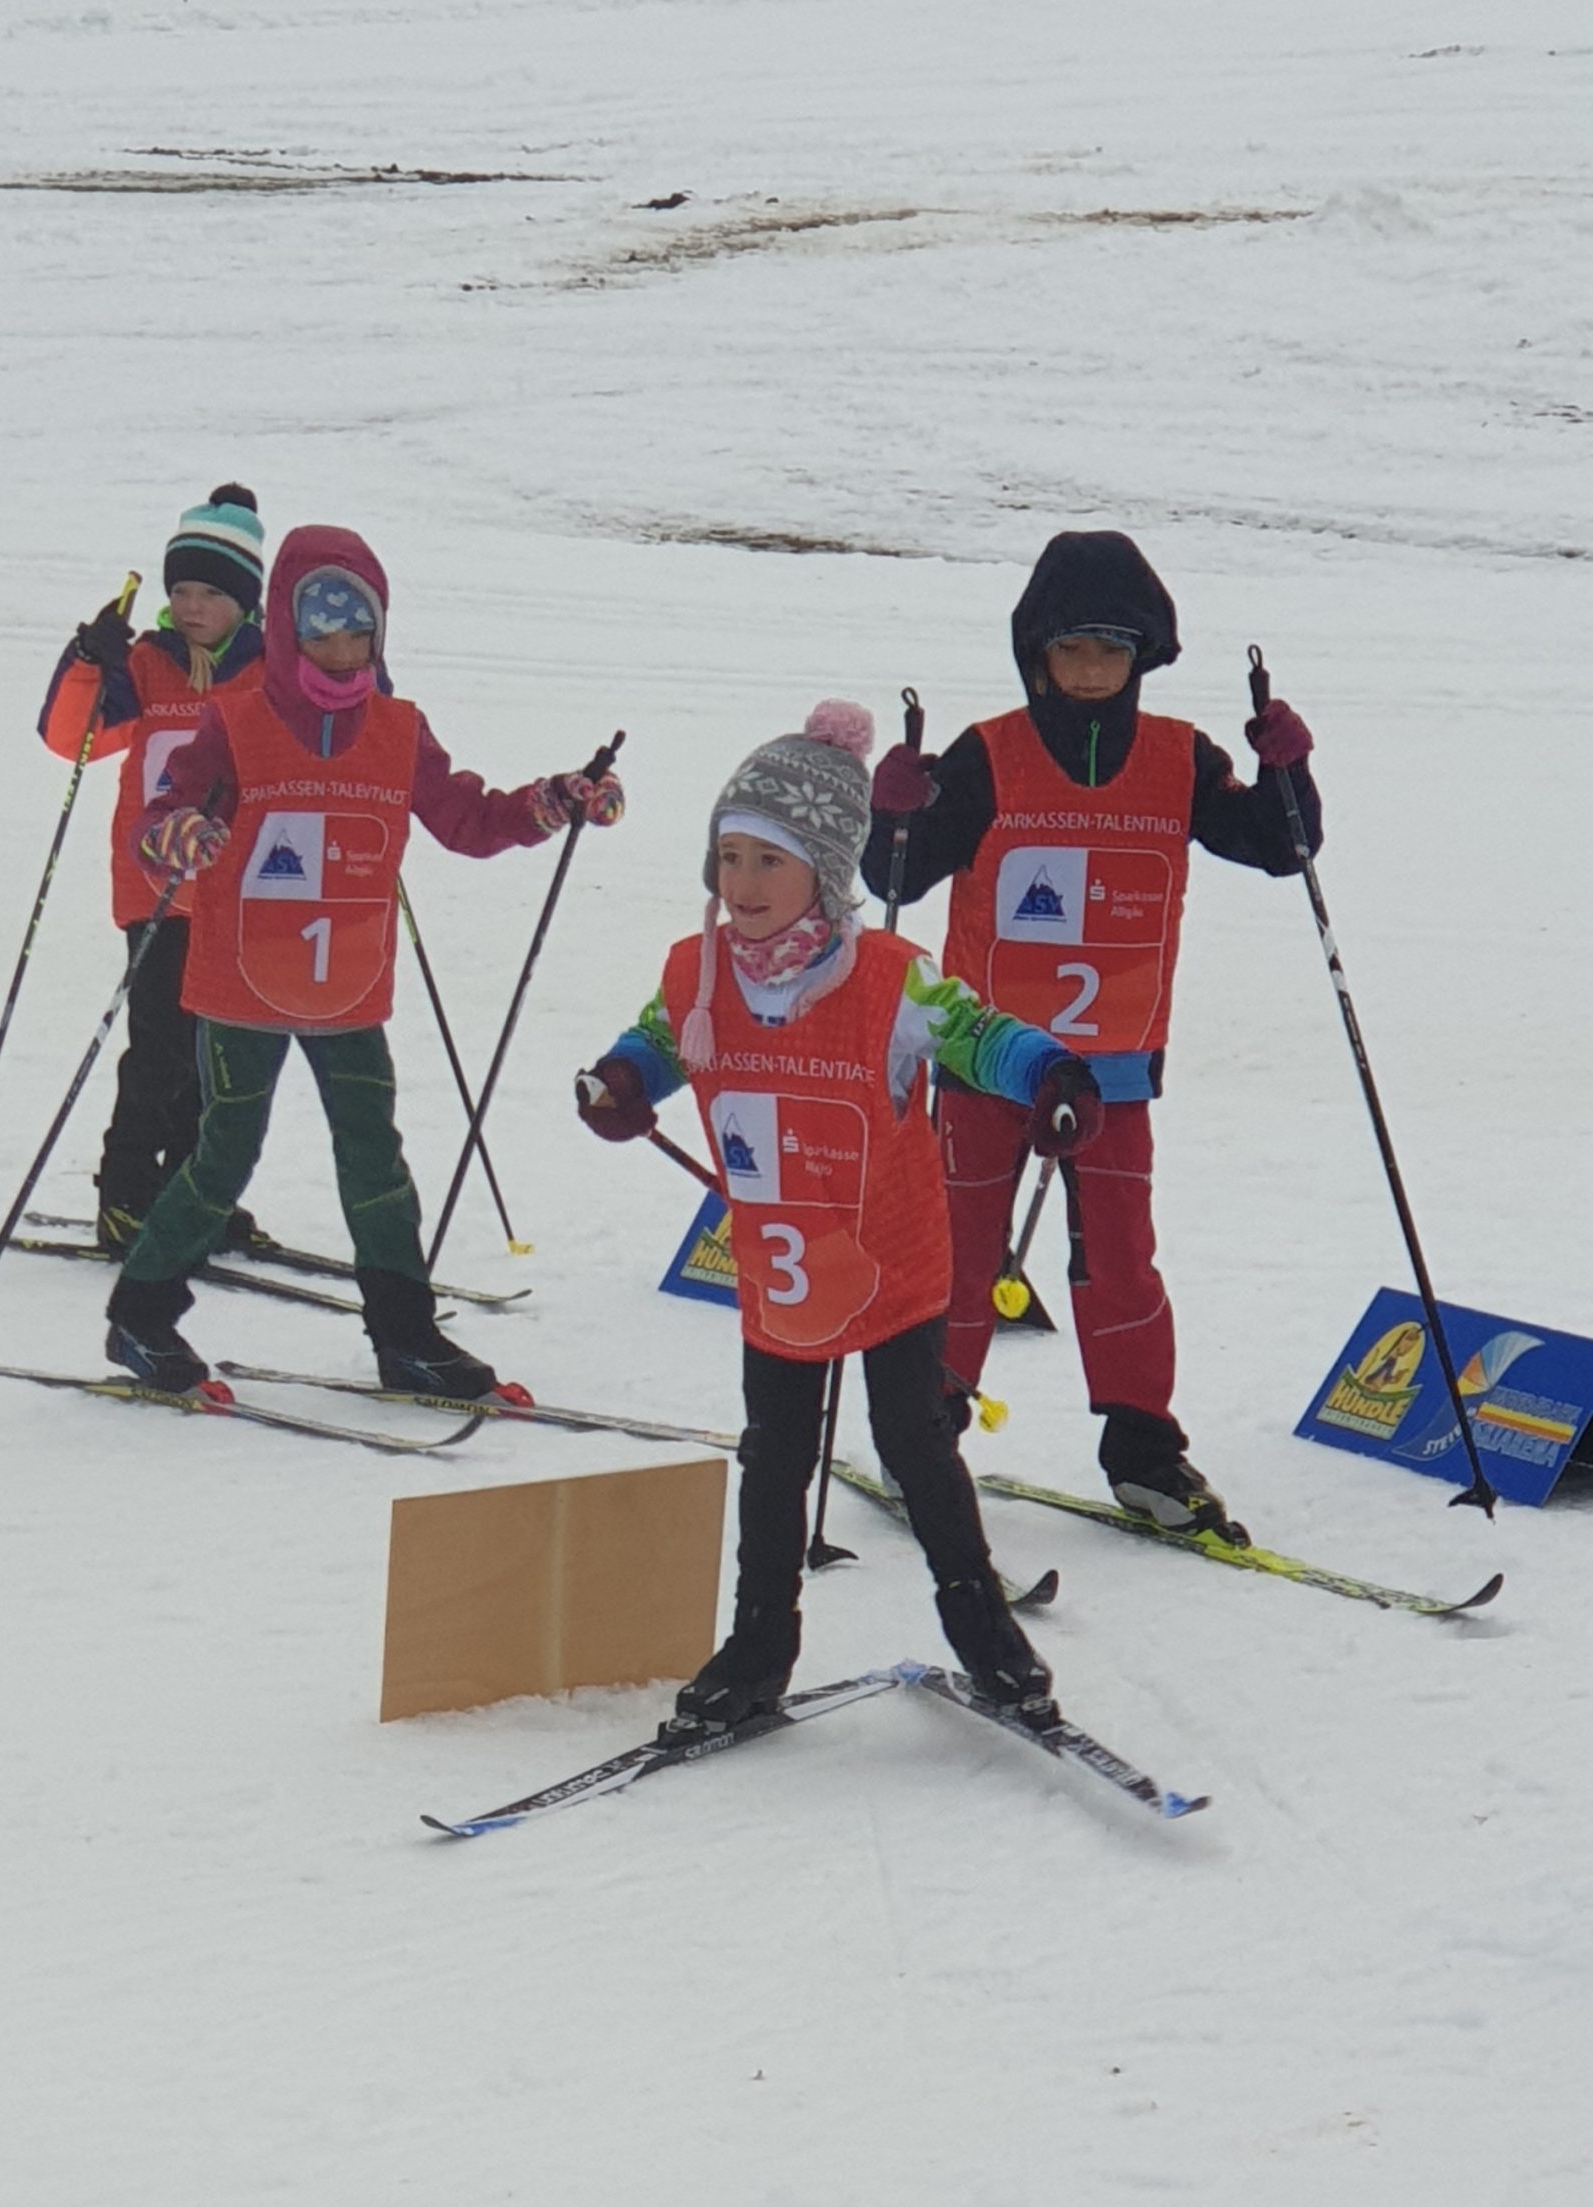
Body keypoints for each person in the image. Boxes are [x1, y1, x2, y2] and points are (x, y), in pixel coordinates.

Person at [577, 702, 1097, 1734]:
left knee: (912, 1444)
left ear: (822, 865)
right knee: (773, 1451)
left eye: (768, 861)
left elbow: (982, 1036)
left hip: (892, 1262)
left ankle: (984, 1634)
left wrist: (1051, 1077)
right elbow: (655, 1039)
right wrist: (619, 1082)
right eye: (726, 856)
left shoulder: (888, 984)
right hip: (782, 1277)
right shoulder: (700, 970)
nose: (741, 885)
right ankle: (758, 1643)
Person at [859, 530, 1320, 1538]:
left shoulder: (1178, 758)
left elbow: (1282, 848)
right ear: (1038, 654)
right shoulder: (987, 756)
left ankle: (1144, 1449)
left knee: (1119, 1258)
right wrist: (890, 813)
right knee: (958, 1248)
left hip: (1113, 1069)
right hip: (985, 1061)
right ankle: (922, 1426)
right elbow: (896, 879)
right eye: (1071, 649)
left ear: (1142, 656)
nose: (1091, 669)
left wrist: (1287, 774)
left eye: (1111, 650)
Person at [104, 523, 623, 1398]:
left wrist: (550, 804)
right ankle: (142, 1319)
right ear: (285, 628)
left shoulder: (398, 728)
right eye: (321, 632)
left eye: (359, 634)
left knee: (374, 1155)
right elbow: (167, 809)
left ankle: (406, 1336)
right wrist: (179, 834)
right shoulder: (236, 720)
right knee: (225, 1153)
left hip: (347, 983)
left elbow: (465, 819)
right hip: (240, 979)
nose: (341, 653)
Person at [36, 485, 267, 1254]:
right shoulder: (146, 663)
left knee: (218, 1062)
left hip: (241, 892)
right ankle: (126, 1197)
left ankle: (189, 1192)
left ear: (245, 601)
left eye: (210, 592)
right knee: (161, 1050)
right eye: (181, 591)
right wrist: (84, 665)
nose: (193, 606)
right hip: (158, 891)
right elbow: (73, 741)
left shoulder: (273, 672)